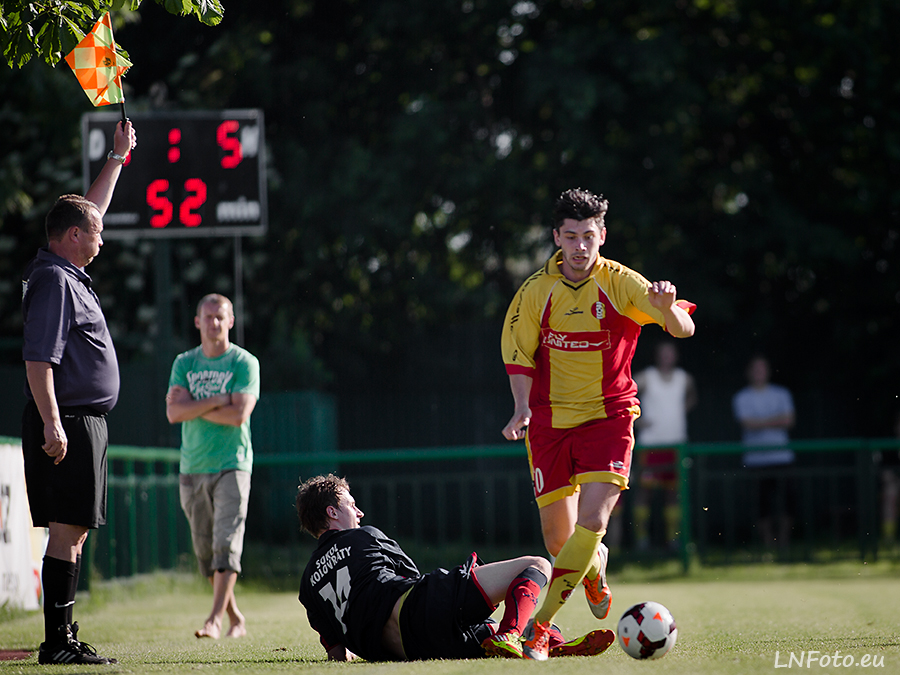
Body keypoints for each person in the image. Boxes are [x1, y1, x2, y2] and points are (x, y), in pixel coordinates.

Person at [500, 188, 695, 659]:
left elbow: (683, 329)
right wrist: (521, 407)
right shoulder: (535, 291)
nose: (580, 246)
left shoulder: (621, 282)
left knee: (593, 521)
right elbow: (519, 355)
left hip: (610, 417)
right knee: (559, 540)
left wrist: (667, 306)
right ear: (556, 238)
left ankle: (540, 627)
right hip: (549, 422)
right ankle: (594, 566)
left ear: (602, 235)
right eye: (571, 236)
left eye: (588, 236)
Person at [21, 121, 137, 665]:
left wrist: (116, 157)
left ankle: (63, 638)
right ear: (72, 237)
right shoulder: (55, 280)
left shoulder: (64, 269)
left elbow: (89, 212)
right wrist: (52, 421)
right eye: (95, 234)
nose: (101, 239)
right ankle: (57, 644)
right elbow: (38, 358)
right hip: (66, 419)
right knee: (67, 531)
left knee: (75, 532)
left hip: (78, 420)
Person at [296, 474, 615, 661]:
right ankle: (515, 634)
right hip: (414, 613)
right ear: (332, 512)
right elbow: (411, 579)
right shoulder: (364, 536)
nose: (360, 513)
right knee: (537, 564)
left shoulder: (308, 583)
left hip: (401, 652)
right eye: (352, 505)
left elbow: (337, 653)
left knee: (487, 631)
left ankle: (545, 641)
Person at [166, 294, 260, 639]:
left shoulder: (244, 362)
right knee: (206, 553)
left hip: (232, 464)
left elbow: (238, 415)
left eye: (220, 317)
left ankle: (214, 620)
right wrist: (219, 399)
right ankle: (236, 617)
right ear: (197, 322)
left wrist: (195, 404)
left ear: (231, 321)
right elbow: (174, 413)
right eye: (208, 317)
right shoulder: (184, 362)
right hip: (192, 466)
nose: (214, 323)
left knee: (226, 543)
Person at [632, 340, 697, 551]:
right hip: (650, 445)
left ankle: (674, 540)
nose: (666, 357)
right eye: (663, 353)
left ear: (675, 355)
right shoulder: (646, 376)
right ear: (657, 355)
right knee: (644, 492)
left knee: (674, 493)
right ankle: (641, 540)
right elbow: (624, 391)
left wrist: (678, 412)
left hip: (676, 444)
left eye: (670, 353)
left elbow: (692, 397)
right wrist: (636, 418)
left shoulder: (684, 379)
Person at [732, 355, 796, 549]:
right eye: (755, 369)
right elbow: (747, 423)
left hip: (782, 458)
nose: (759, 373)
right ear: (749, 373)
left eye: (762, 369)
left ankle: (784, 545)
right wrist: (774, 420)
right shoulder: (742, 397)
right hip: (756, 460)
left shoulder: (782, 393)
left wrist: (760, 422)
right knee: (762, 505)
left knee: (788, 502)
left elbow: (789, 421)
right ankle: (769, 546)